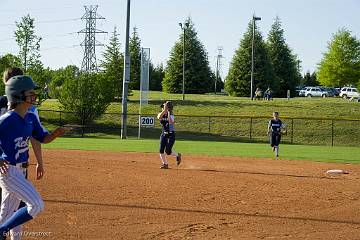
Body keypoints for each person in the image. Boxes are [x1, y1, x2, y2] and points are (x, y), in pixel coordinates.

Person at [0, 75, 64, 240]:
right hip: (9, 171)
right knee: (36, 205)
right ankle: (2, 231)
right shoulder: (6, 120)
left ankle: (3, 229)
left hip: (21, 171)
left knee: (7, 213)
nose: (34, 96)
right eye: (30, 93)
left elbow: (43, 138)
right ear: (18, 95)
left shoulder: (30, 117)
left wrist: (55, 134)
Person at [157, 101, 181, 169]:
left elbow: (170, 122)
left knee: (168, 151)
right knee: (161, 150)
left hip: (171, 134)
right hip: (164, 134)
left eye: (164, 107)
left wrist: (169, 112)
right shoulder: (160, 114)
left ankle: (177, 155)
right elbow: (159, 117)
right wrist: (164, 110)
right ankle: (165, 164)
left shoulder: (171, 115)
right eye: (162, 107)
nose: (163, 108)